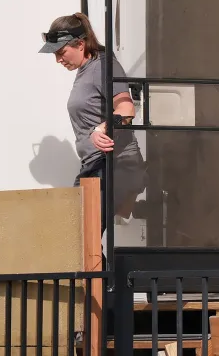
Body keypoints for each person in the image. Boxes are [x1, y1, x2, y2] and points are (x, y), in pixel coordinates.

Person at [38, 12, 146, 229]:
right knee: (74, 235)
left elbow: (126, 109)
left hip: (116, 165)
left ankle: (147, 207)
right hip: (94, 166)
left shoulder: (103, 65)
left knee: (81, 235)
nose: (58, 60)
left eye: (61, 52)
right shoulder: (86, 70)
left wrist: (101, 129)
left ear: (80, 44)